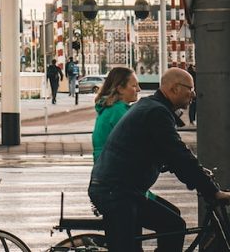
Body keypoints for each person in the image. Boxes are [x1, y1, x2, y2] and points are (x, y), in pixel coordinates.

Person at [88, 67, 230, 251]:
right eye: (190, 88)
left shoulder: (153, 107)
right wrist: (211, 191)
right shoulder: (157, 113)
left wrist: (191, 172)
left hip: (121, 189)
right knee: (165, 229)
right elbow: (178, 155)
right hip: (116, 192)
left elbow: (168, 154)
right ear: (175, 88)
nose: (193, 94)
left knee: (172, 224)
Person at [91, 66, 139, 161]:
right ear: (120, 89)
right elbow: (136, 142)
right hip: (115, 168)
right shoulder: (117, 111)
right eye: (134, 86)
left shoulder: (109, 109)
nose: (138, 89)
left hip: (104, 168)